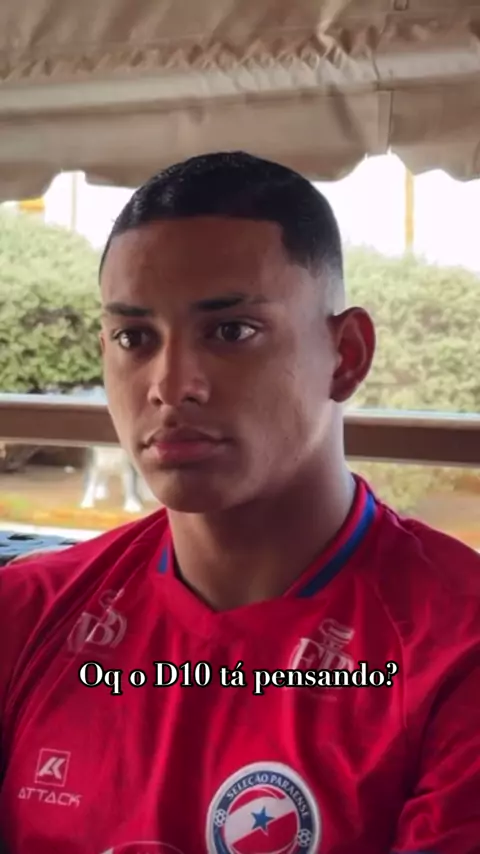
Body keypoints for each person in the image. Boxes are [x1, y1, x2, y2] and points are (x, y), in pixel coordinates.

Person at [0, 152, 479, 854]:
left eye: (231, 331)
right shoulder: (24, 616)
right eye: (135, 338)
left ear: (346, 355)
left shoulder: (458, 649)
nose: (171, 385)